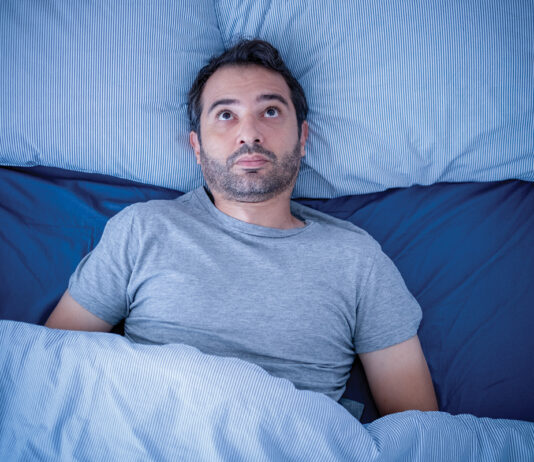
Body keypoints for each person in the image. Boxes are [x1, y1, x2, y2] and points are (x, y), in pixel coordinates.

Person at [46, 39, 438, 417]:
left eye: (270, 111)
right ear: (197, 147)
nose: (248, 134)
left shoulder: (358, 259)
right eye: (226, 115)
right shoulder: (142, 229)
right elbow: (50, 364)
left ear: (302, 138)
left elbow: (419, 427)